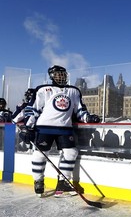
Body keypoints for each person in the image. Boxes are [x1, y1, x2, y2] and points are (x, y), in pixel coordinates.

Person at [22, 65, 100, 197]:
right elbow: (32, 109)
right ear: (51, 75)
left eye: (63, 74)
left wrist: (89, 118)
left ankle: (63, 182)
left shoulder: (74, 91)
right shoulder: (43, 89)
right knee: (40, 154)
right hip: (44, 128)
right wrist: (28, 126)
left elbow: (80, 110)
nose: (61, 76)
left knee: (71, 152)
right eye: (58, 74)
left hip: (65, 128)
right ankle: (38, 180)